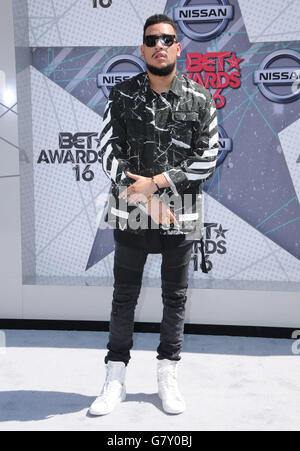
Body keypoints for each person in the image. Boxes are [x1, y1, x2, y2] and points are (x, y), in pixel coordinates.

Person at [89, 13, 218, 416]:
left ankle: (167, 374)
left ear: (179, 47)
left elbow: (209, 157)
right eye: (151, 39)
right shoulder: (121, 96)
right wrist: (145, 199)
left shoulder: (200, 98)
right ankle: (115, 378)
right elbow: (107, 153)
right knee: (123, 297)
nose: (159, 44)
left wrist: (159, 181)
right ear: (142, 49)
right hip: (132, 209)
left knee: (174, 298)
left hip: (182, 212)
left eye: (167, 38)